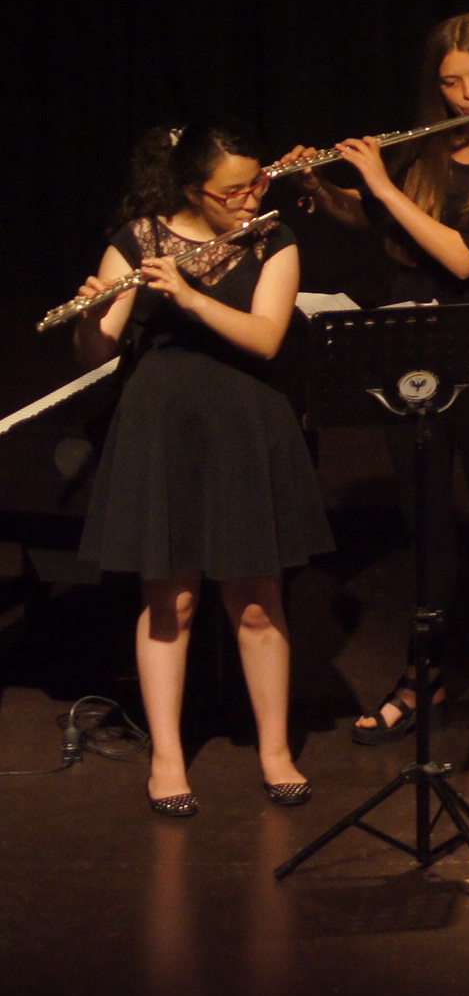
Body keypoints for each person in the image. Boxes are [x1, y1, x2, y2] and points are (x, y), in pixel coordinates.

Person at [283, 14, 469, 761]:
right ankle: (424, 672)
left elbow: (466, 256)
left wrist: (377, 179)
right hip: (411, 342)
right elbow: (387, 227)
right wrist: (325, 190)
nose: (467, 96)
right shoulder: (429, 146)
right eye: (451, 83)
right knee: (425, 523)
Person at [72, 123, 332, 816]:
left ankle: (275, 751)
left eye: (256, 182)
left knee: (257, 599)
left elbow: (266, 337)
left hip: (246, 424)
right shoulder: (138, 239)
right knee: (172, 601)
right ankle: (166, 757)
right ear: (193, 190)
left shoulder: (273, 239)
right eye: (233, 190)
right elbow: (97, 353)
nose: (251, 197)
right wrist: (90, 319)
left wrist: (189, 297)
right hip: (164, 427)